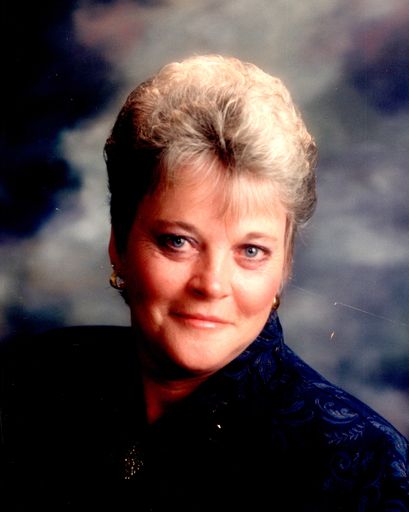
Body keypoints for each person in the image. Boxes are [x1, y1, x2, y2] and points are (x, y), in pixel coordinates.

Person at [1, 54, 408, 510]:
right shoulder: (32, 378)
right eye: (178, 242)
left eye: (250, 251)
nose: (212, 285)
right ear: (119, 242)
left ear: (284, 265)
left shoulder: (365, 467)